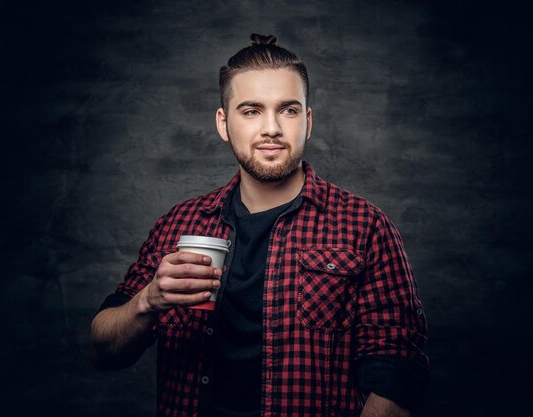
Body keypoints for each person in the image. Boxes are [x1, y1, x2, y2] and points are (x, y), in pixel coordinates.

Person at [90, 33, 429, 417]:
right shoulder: (177, 225)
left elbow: (398, 372)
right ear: (223, 123)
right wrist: (148, 300)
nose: (271, 128)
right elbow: (104, 351)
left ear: (308, 120)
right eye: (251, 110)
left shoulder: (365, 226)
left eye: (288, 110)